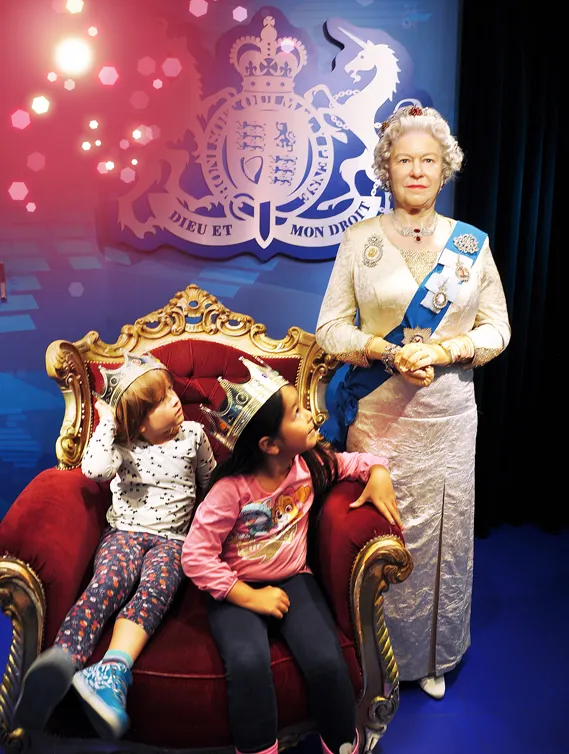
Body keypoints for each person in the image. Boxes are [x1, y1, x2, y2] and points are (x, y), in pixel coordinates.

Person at [315, 105, 511, 700]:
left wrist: (449, 348)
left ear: (444, 169)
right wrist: (382, 349)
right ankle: (374, 650)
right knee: (381, 532)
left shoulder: (470, 245)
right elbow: (328, 329)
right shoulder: (361, 240)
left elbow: (498, 329)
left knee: (445, 539)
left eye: (428, 160)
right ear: (387, 168)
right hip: (379, 419)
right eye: (405, 160)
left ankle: (434, 655)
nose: (417, 171)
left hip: (449, 418)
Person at [182, 356, 402, 754]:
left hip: (293, 578)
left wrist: (379, 473)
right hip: (237, 588)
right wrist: (249, 597)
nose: (312, 417)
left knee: (326, 660)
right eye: (299, 413)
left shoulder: (311, 465)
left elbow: (357, 463)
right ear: (269, 444)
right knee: (248, 664)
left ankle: (341, 744)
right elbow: (195, 557)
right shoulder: (230, 492)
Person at [14, 351, 215, 740]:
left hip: (174, 541)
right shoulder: (121, 445)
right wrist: (108, 423)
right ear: (137, 424)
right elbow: (94, 471)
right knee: (110, 580)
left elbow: (208, 483)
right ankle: (62, 658)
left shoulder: (194, 435)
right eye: (159, 401)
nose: (175, 400)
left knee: (157, 588)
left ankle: (111, 669)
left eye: (171, 391)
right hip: (124, 532)